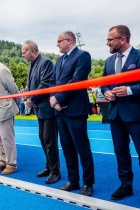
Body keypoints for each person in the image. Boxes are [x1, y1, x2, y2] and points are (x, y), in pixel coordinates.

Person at [102, 25, 140, 208]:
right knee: (121, 153)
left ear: (123, 39)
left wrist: (129, 90)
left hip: (136, 114)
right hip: (115, 114)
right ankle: (126, 185)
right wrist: (106, 92)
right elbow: (104, 83)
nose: (107, 42)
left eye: (110, 39)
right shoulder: (109, 61)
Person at [49, 30, 95, 196]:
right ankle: (73, 180)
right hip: (60, 112)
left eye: (59, 41)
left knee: (82, 148)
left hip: (76, 110)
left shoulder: (83, 56)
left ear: (68, 40)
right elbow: (54, 82)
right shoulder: (60, 60)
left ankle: (88, 182)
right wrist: (53, 99)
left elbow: (77, 80)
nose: (57, 45)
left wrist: (58, 99)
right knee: (67, 148)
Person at [22, 40, 60, 184]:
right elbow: (33, 84)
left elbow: (45, 84)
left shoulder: (45, 62)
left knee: (49, 140)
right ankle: (49, 166)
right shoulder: (33, 65)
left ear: (32, 51)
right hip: (39, 108)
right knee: (43, 138)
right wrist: (28, 95)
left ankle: (55, 171)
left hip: (47, 108)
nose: (23, 55)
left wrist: (31, 98)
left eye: (24, 52)